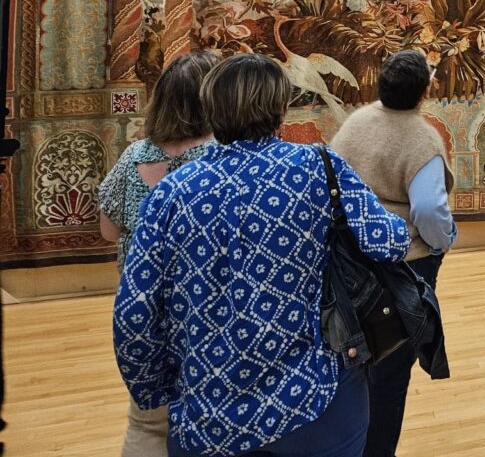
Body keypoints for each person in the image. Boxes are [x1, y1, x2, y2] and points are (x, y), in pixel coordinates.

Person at [113, 53, 410, 457]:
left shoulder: (173, 192)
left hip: (208, 414)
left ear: (211, 107)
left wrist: (157, 390)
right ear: (278, 108)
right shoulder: (316, 167)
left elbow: (134, 313)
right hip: (314, 403)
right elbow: (388, 241)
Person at [330, 49, 456, 457]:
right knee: (390, 371)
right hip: (403, 266)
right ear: (423, 94)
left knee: (353, 357)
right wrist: (441, 242)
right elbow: (428, 210)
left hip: (349, 260)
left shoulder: (356, 123)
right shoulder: (422, 139)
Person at [99, 50, 220, 457]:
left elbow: (107, 230)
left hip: (142, 312)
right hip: (206, 311)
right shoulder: (220, 158)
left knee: (147, 421)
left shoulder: (136, 157)